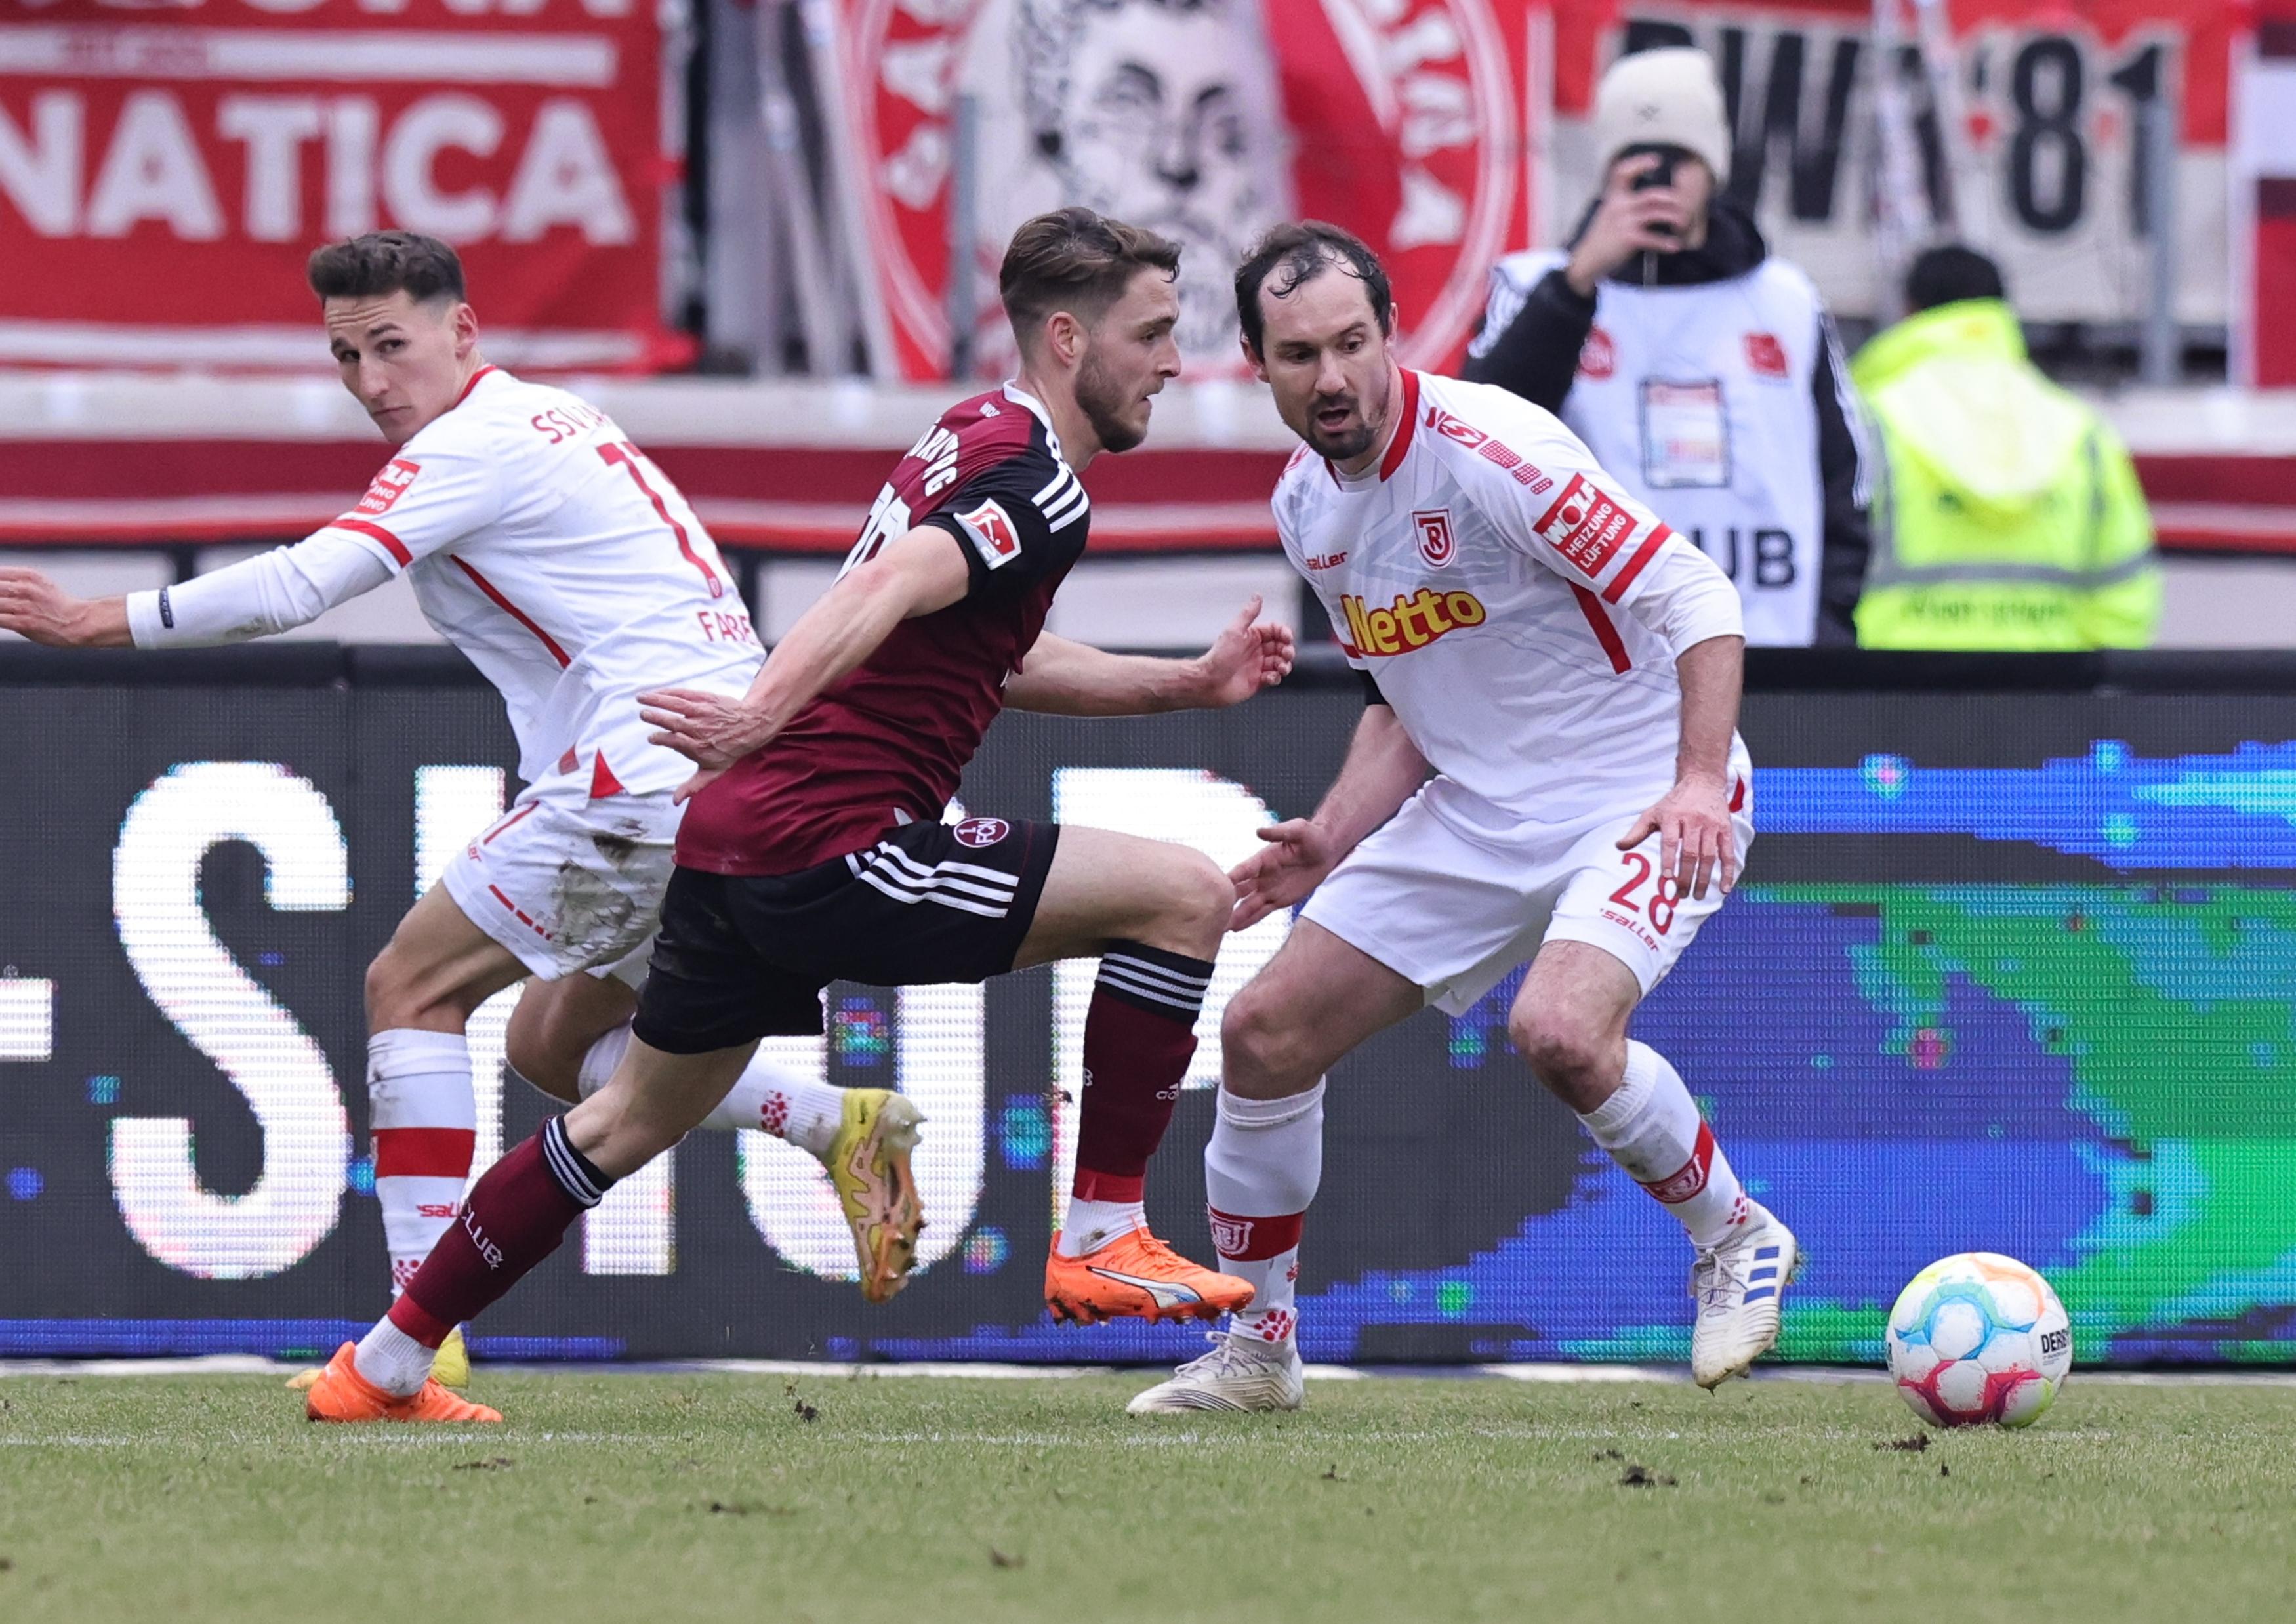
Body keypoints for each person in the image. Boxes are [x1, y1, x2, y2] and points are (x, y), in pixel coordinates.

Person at [300, 207, 1298, 1423]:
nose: (1173, 362)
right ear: (1066, 338)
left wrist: (1186, 686)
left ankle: (384, 1366)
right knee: (1183, 895)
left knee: (614, 1119)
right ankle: (1101, 1234)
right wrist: (762, 711)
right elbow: (890, 584)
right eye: (1151, 333)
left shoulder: (969, 434)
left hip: (731, 839)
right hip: (835, 843)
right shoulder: (1036, 479)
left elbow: (990, 650)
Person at [0, 230, 925, 1405]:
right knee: (550, 1046)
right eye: (347, 357)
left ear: (463, 332)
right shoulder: (552, 418)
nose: (374, 382)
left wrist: (99, 622)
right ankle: (835, 1119)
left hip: (637, 778)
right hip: (727, 773)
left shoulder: (470, 445)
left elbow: (301, 582)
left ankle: (415, 1341)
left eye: (392, 345)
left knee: (412, 987)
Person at [1127, 221, 1796, 1414]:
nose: (1331, 379)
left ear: (1390, 335)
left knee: (1561, 1034)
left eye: (1351, 344)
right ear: (1254, 360)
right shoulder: (1305, 507)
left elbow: (1697, 593)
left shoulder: (1491, 451)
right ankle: (1261, 1350)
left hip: (1636, 791)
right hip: (1481, 809)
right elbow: (1404, 701)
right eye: (1298, 355)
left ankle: (1735, 1234)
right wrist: (1331, 837)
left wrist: (1696, 781)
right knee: (1266, 1033)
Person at [1464, 46, 1872, 648]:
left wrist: (1829, 628)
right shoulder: (1533, 286)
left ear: (1714, 169)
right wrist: (1575, 287)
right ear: (1607, 173)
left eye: (1679, 159)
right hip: (1602, 662)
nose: (1660, 181)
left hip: (1770, 647)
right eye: (1635, 160)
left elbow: (1847, 479)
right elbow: (1474, 449)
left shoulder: (1785, 299)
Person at [1850, 245, 2162, 649]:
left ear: (1909, 313)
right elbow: (2127, 592)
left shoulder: (1871, 422)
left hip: (1897, 691)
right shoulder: (2080, 430)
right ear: (2001, 314)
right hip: (2047, 695)